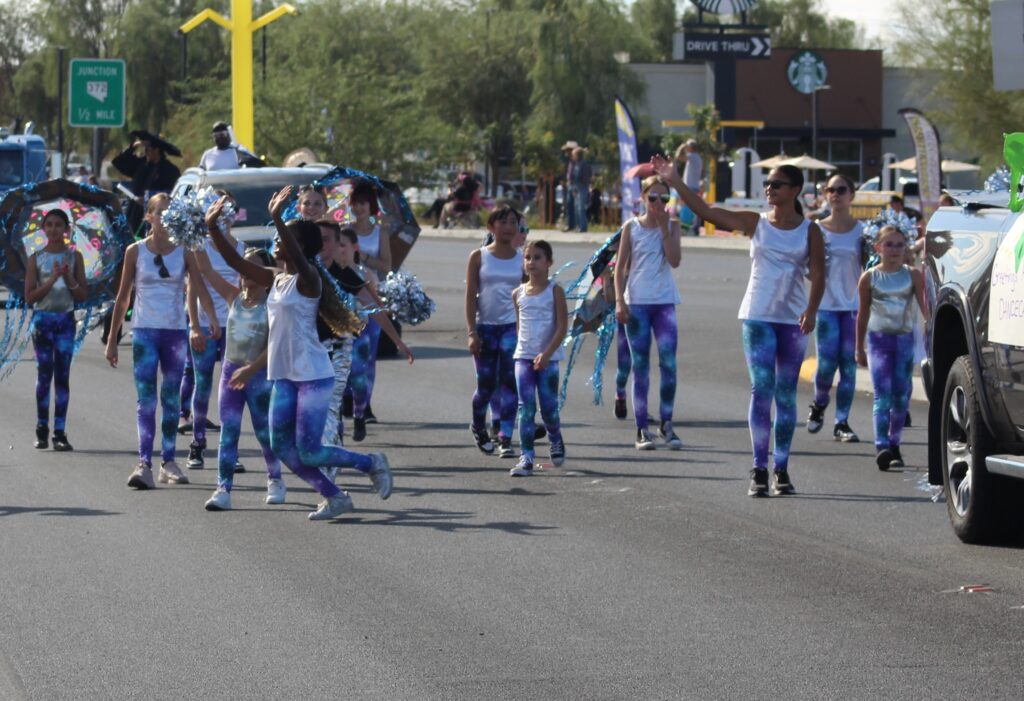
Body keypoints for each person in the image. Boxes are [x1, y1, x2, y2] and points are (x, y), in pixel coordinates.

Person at [207, 188, 393, 521]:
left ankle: (371, 463)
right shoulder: (275, 279)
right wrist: (212, 229)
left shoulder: (309, 280)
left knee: (310, 450)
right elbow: (236, 262)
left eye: (284, 238)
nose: (276, 241)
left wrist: (279, 217)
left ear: (299, 246)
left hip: (313, 376)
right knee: (283, 448)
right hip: (284, 377)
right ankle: (334, 496)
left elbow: (296, 250)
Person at [656, 156, 824, 497]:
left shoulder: (811, 230)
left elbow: (819, 274)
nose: (769, 189)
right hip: (757, 316)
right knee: (761, 389)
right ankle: (759, 468)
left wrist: (812, 309)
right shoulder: (755, 222)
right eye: (767, 183)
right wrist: (675, 181)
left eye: (776, 184)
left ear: (794, 190)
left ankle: (782, 468)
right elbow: (707, 212)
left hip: (792, 321)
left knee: (786, 395)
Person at [105, 194, 220, 490]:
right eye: (160, 213)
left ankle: (168, 461)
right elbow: (123, 299)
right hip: (144, 332)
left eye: (171, 214)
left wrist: (209, 319)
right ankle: (143, 462)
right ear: (149, 217)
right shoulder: (135, 251)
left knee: (170, 398)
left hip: (174, 333)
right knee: (146, 401)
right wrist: (113, 339)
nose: (166, 219)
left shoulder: (185, 251)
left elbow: (199, 287)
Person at [199, 248, 287, 510]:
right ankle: (223, 489)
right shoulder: (233, 296)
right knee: (229, 431)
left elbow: (274, 346)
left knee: (264, 432)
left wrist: (251, 370)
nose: (245, 273)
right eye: (243, 268)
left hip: (259, 375)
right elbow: (206, 270)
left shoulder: (273, 304)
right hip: (230, 372)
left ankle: (275, 479)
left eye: (253, 268)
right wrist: (192, 237)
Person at [320, 222, 412, 446]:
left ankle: (360, 414)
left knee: (359, 377)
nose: (338, 249)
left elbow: (376, 308)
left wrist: (398, 341)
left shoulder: (353, 275)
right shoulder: (311, 271)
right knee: (332, 395)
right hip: (322, 343)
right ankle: (335, 440)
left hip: (354, 336)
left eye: (342, 244)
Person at [613, 175, 684, 451]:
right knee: (639, 366)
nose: (658, 203)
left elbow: (675, 261)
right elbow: (620, 269)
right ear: (643, 198)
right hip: (638, 303)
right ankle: (642, 428)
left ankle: (666, 423)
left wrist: (665, 228)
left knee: (669, 364)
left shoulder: (673, 225)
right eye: (652, 197)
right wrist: (620, 301)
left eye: (664, 199)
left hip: (664, 302)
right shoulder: (631, 227)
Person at [180, 189, 246, 468]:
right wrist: (195, 324)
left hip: (234, 327)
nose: (223, 216)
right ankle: (197, 443)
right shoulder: (200, 246)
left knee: (233, 387)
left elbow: (245, 288)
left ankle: (231, 450)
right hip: (206, 327)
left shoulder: (240, 246)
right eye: (218, 210)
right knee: (203, 382)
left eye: (228, 210)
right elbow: (193, 288)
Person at [856, 225, 929, 471]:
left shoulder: (912, 275)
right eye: (889, 244)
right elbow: (863, 314)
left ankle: (895, 443)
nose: (894, 250)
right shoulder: (869, 277)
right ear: (878, 248)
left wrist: (932, 334)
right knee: (882, 394)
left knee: (901, 394)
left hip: (904, 341)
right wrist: (859, 348)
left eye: (899, 244)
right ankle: (882, 446)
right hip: (878, 342)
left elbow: (926, 311)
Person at [23, 209, 87, 451]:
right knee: (44, 375)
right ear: (43, 229)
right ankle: (41, 428)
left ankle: (59, 431)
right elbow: (30, 297)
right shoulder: (36, 258)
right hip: (43, 322)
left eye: (58, 225)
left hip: (65, 322)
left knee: (62, 378)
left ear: (66, 229)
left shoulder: (75, 257)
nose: (53, 229)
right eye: (49, 225)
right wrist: (51, 280)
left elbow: (82, 294)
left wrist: (68, 276)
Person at [807, 174, 864, 443]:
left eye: (841, 189)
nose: (835, 194)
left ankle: (842, 422)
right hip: (826, 306)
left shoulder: (861, 231)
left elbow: (870, 269)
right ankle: (819, 404)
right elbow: (806, 267)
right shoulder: (816, 228)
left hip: (853, 307)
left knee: (849, 367)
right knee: (827, 365)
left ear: (851, 195)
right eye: (829, 190)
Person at [465, 205, 524, 458]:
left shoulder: (523, 258)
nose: (509, 227)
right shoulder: (478, 257)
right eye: (503, 222)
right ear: (491, 227)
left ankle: (505, 438)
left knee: (510, 384)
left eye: (513, 222)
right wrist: (471, 332)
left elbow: (528, 296)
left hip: (512, 329)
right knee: (486, 386)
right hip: (485, 328)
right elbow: (470, 297)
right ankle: (478, 425)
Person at [510, 240, 567, 476]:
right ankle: (527, 457)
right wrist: (524, 352)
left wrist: (546, 354)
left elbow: (562, 327)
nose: (531, 262)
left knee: (549, 409)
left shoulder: (555, 291)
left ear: (549, 263)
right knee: (525, 409)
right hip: (523, 358)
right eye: (527, 258)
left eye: (537, 258)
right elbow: (519, 326)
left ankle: (555, 437)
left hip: (548, 360)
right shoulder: (517, 293)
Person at [343, 180, 392, 429]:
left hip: (372, 298)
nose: (359, 208)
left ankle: (366, 403)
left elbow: (386, 265)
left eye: (363, 203)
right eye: (355, 203)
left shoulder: (379, 232)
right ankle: (348, 395)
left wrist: (362, 256)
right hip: (347, 300)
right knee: (348, 354)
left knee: (369, 355)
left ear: (371, 206)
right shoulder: (343, 230)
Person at [111, 130, 182, 232]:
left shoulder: (169, 170)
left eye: (148, 149)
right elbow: (118, 162)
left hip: (154, 214)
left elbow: (170, 193)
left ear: (157, 150)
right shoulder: (141, 164)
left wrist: (148, 199)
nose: (146, 152)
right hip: (134, 212)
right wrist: (134, 146)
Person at [570, 147, 592, 233]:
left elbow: (586, 177)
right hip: (577, 188)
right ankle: (578, 226)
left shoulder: (584, 164)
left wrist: (581, 183)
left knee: (581, 208)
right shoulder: (576, 164)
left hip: (583, 188)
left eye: (574, 154)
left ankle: (583, 227)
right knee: (576, 208)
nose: (573, 156)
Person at [560, 141, 578, 231]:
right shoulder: (570, 161)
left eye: (568, 150)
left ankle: (574, 225)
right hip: (570, 184)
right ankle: (570, 225)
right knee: (569, 205)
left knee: (575, 206)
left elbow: (576, 174)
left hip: (574, 185)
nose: (566, 152)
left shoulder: (576, 161)